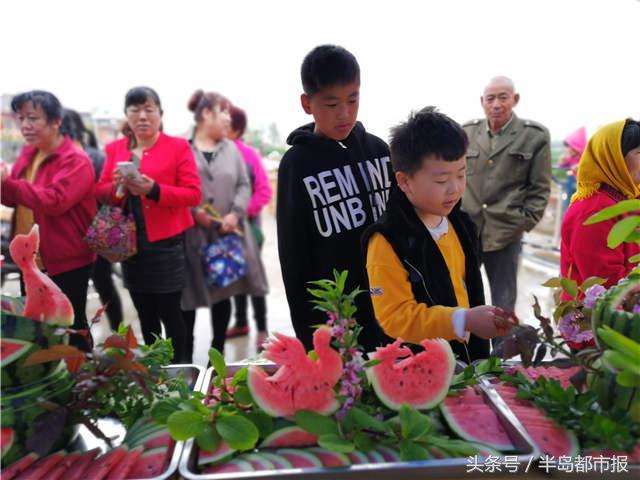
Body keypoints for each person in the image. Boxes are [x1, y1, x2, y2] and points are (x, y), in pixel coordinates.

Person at [363, 108, 513, 361]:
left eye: (462, 174)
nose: (455, 188)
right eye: (442, 180)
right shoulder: (386, 241)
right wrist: (463, 320)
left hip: (467, 360)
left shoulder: (460, 223)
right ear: (404, 181)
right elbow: (394, 318)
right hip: (420, 366)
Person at [277, 44, 393, 352]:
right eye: (331, 104)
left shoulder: (380, 152)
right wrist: (309, 336)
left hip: (391, 308)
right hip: (335, 316)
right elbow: (293, 255)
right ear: (307, 103)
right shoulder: (296, 165)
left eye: (353, 100)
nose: (344, 113)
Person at [96, 87, 201, 362]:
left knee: (171, 313)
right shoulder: (114, 149)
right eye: (135, 110)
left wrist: (153, 189)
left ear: (160, 114)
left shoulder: (178, 147)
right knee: (145, 314)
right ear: (126, 116)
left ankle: (181, 371)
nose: (142, 116)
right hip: (129, 245)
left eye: (149, 110)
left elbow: (193, 193)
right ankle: (156, 373)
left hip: (167, 244)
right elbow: (101, 192)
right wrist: (118, 186)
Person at [1, 90, 96, 351]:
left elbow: (55, 201)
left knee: (72, 325)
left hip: (66, 258)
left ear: (55, 122)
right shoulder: (28, 154)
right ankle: (51, 384)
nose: (25, 126)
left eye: (33, 118)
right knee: (36, 327)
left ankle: (85, 383)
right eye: (21, 119)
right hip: (29, 258)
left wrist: (9, 184)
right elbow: (15, 198)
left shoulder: (76, 160)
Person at [181, 91, 268, 359]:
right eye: (223, 112)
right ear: (206, 114)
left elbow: (245, 184)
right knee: (189, 299)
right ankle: (185, 358)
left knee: (225, 293)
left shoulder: (231, 150)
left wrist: (235, 214)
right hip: (193, 236)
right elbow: (176, 187)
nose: (228, 118)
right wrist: (193, 211)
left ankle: (215, 354)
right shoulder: (182, 148)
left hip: (227, 235)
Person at [462, 76, 551, 314]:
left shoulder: (534, 136)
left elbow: (540, 188)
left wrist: (523, 222)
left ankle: (501, 352)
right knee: (461, 297)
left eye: (503, 97)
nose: (496, 104)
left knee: (503, 304)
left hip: (506, 232)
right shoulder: (467, 133)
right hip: (467, 230)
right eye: (490, 98)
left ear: (515, 99)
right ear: (482, 102)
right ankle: (468, 350)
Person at [61, 108, 124, 331]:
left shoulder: (76, 158)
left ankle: (93, 341)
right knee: (104, 285)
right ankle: (119, 333)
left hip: (81, 233)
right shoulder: (95, 155)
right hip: (98, 230)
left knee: (80, 291)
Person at [561, 119, 640, 289]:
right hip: (597, 314)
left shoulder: (629, 198)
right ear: (614, 158)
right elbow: (608, 283)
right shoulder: (593, 209)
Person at [225, 105, 272, 349]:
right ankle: (241, 322)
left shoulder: (249, 155)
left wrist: (239, 214)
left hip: (249, 229)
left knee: (254, 279)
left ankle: (262, 328)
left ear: (236, 128)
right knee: (234, 277)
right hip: (224, 230)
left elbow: (264, 191)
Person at [557, 127, 587, 212]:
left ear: (577, 148)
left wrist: (580, 166)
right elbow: (563, 167)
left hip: (583, 187)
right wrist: (562, 162)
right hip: (571, 184)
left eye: (570, 147)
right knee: (569, 203)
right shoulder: (569, 158)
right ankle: (568, 212)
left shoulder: (584, 158)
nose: (568, 150)